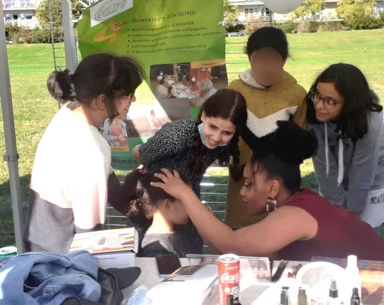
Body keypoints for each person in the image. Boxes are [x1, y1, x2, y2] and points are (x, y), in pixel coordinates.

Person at [151, 121, 384, 263]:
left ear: (273, 187)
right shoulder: (299, 203)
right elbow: (256, 252)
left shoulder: (295, 215)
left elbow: (231, 245)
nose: (243, 191)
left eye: (250, 184)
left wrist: (186, 195)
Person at [23, 53, 145, 253]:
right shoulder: (91, 151)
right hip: (62, 252)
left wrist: (135, 211)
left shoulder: (69, 111)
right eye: (128, 95)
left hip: (39, 232)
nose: (133, 99)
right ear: (101, 100)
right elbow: (89, 232)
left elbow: (108, 179)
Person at [132, 88, 247, 253]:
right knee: (152, 256)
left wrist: (194, 204)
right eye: (213, 127)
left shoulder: (221, 145)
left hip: (186, 202)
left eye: (227, 133)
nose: (216, 137)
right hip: (155, 205)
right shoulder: (175, 136)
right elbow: (140, 153)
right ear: (204, 115)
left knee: (190, 256)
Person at [225, 26, 308, 230]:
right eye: (260, 60)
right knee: (239, 241)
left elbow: (299, 145)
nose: (266, 67)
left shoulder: (296, 94)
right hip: (241, 187)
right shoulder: (235, 90)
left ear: (284, 60)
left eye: (273, 60)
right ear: (249, 59)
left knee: (276, 239)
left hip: (278, 187)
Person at [307, 63, 384, 233]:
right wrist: (338, 209)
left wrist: (351, 214)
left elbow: (362, 173)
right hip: (337, 174)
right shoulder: (314, 113)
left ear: (350, 103)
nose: (318, 105)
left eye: (330, 101)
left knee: (363, 233)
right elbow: (324, 167)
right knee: (335, 227)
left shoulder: (370, 124)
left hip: (372, 178)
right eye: (317, 95)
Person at [122, 168, 192, 257]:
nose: (191, 206)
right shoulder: (156, 249)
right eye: (186, 200)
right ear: (167, 205)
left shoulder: (175, 232)